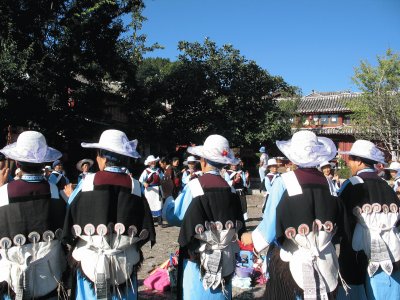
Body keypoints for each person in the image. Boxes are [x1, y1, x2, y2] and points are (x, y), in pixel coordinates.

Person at [243, 130, 348, 299]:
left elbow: (271, 223)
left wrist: (254, 240)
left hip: (292, 256)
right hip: (324, 253)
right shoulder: (327, 183)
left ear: (293, 157)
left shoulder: (285, 181)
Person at [62, 129, 155, 300]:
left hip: (89, 259)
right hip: (124, 260)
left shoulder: (87, 183)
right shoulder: (135, 187)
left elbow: (70, 214)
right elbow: (145, 226)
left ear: (102, 157)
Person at [162, 134, 245, 300]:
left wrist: (168, 196)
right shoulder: (231, 190)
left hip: (197, 258)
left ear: (203, 161)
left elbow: (174, 216)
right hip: (225, 257)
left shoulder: (195, 187)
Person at [0, 131, 67, 299]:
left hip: (11, 280)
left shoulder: (3, 193)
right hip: (51, 275)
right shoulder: (57, 194)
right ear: (44, 162)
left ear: (17, 162)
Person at [336, 140, 400, 300]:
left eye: (350, 159)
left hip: (357, 256)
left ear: (358, 161)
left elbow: (341, 220)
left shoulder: (351, 185)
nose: (349, 163)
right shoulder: (386, 186)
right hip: (390, 254)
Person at [139, 155, 164, 226]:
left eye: (154, 162)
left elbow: (162, 178)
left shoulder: (158, 170)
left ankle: (160, 221)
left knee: (159, 204)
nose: (153, 163)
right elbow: (141, 179)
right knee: (150, 204)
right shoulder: (146, 171)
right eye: (151, 162)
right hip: (149, 190)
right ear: (149, 163)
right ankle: (151, 221)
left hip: (157, 189)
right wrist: (144, 183)